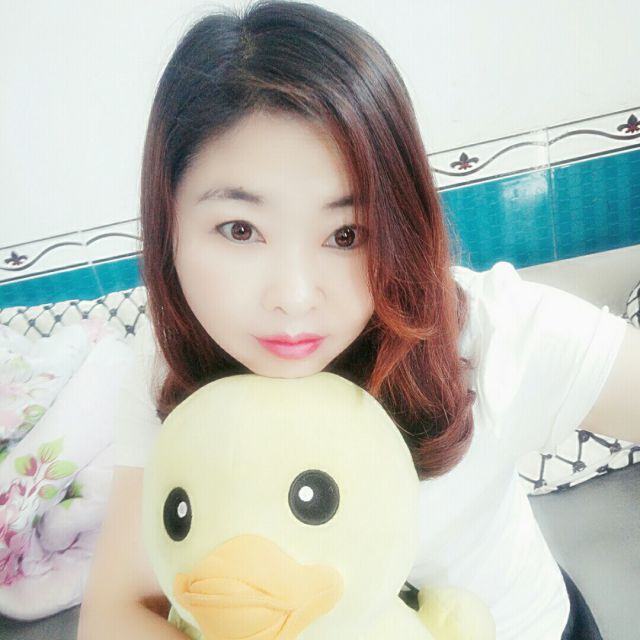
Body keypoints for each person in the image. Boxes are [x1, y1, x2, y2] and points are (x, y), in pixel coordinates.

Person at [77, 1, 639, 639]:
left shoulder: (482, 331)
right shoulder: (166, 368)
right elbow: (115, 614)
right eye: (240, 229)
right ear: (169, 224)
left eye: (346, 234)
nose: (293, 297)